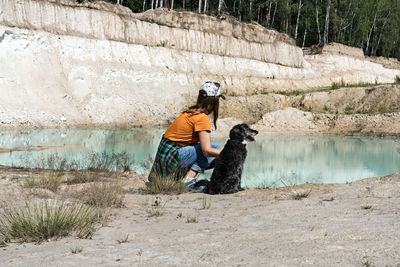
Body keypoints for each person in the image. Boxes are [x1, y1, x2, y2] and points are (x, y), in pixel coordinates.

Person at [148, 81, 225, 189]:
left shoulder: (190, 112)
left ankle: (180, 178)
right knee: (215, 148)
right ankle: (188, 179)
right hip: (173, 157)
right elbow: (207, 151)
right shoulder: (202, 118)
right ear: (214, 101)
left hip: (165, 160)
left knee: (213, 155)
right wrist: (229, 152)